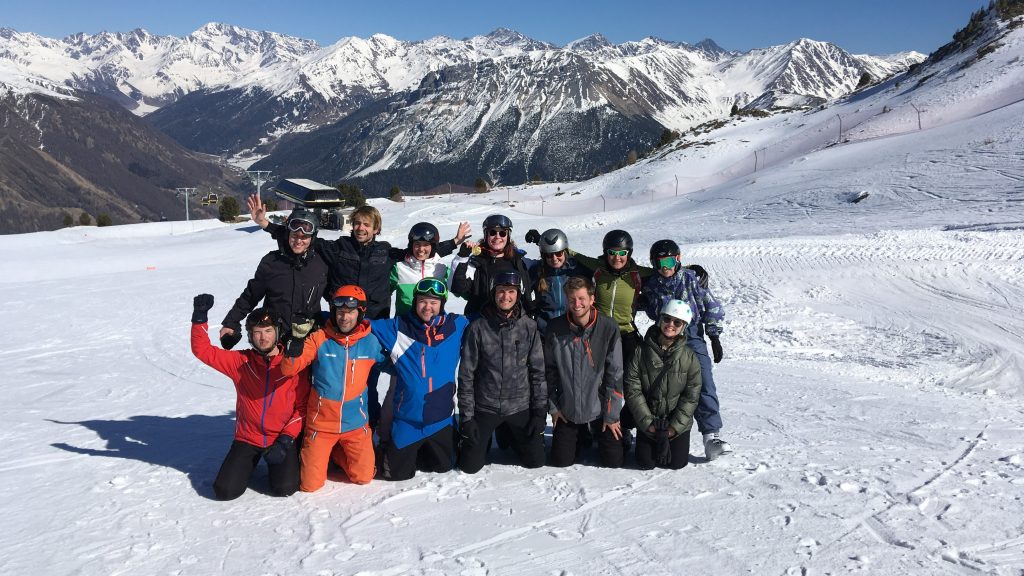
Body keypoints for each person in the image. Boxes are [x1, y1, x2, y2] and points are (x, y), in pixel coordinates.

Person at [248, 195, 470, 426]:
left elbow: (420, 252)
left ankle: (367, 426)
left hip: (372, 329)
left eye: (366, 224)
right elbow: (302, 238)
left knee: (367, 380)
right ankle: (324, 423)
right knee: (333, 379)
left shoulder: (385, 253)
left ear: (376, 229)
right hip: (340, 325)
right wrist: (265, 224)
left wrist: (454, 242)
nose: (360, 228)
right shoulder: (337, 248)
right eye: (357, 223)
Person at [190, 295, 309, 500]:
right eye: (257, 333)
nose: (263, 338)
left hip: (280, 439)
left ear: (277, 333)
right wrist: (199, 318)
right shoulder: (240, 362)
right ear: (250, 336)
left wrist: (286, 439)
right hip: (247, 438)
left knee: (285, 488)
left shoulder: (293, 364)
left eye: (268, 331)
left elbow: (302, 409)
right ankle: (247, 465)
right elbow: (202, 350)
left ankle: (289, 456)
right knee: (225, 491)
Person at [278, 285, 385, 491]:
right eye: (340, 312)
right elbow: (288, 369)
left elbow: (392, 364)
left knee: (364, 477)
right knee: (310, 486)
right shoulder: (320, 339)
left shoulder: (370, 342)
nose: (344, 317)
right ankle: (330, 451)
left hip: (355, 425)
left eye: (351, 312)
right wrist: (296, 343)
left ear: (360, 313)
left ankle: (337, 453)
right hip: (321, 425)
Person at [639, 239, 732, 460]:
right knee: (657, 384)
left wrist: (714, 335)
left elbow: (712, 306)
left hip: (691, 336)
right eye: (659, 262)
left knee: (703, 381)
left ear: (678, 259)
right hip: (663, 337)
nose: (665, 266)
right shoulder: (651, 285)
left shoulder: (692, 279)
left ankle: (711, 437)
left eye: (670, 260)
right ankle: (655, 430)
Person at [370, 278, 470, 480]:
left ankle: (428, 448)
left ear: (442, 304)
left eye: (434, 302)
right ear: (415, 302)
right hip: (408, 421)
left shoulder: (457, 325)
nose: (428, 307)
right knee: (396, 475)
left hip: (442, 420)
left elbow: (488, 320)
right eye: (423, 301)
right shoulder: (397, 327)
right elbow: (359, 324)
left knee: (445, 467)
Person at [566, 229, 655, 442]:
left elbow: (665, 270)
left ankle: (623, 425)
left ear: (629, 253)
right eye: (612, 252)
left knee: (635, 386)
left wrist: (691, 269)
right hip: (599, 334)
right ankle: (593, 425)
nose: (617, 257)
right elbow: (573, 254)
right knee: (595, 383)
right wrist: (544, 240)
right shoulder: (597, 269)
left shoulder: (638, 274)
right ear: (605, 252)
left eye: (622, 253)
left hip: (627, 335)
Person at [457, 271, 547, 473]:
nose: (505, 296)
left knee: (535, 461)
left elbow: (538, 373)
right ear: (493, 293)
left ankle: (511, 435)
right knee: (469, 466)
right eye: (501, 291)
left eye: (511, 292)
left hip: (519, 406)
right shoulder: (478, 328)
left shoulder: (529, 327)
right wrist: (467, 418)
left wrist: (539, 413)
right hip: (486, 406)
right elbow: (466, 376)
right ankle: (489, 436)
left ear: (518, 294)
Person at [544, 276, 625, 468]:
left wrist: (611, 415)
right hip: (568, 409)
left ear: (591, 298)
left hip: (599, 410)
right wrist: (554, 408)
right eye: (572, 299)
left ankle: (614, 434)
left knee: (614, 461)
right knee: (561, 461)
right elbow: (548, 372)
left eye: (581, 298)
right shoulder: (555, 328)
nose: (577, 304)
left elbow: (615, 374)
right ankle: (579, 435)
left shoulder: (607, 327)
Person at [219, 207, 327, 350]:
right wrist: (230, 323)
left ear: (312, 238)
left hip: (308, 341)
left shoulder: (321, 264)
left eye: (304, 237)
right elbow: (250, 296)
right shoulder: (271, 262)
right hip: (275, 341)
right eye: (294, 235)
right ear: (287, 234)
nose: (298, 241)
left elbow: (335, 296)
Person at [624, 299, 702, 470]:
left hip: (675, 423)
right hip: (649, 420)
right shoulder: (640, 351)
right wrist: (648, 424)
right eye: (667, 319)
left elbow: (692, 396)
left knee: (677, 463)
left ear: (684, 327)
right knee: (645, 463)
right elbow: (632, 389)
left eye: (677, 322)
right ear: (660, 319)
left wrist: (674, 427)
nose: (670, 324)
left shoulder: (690, 357)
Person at [451, 214, 534, 318]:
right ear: (486, 235)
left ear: (508, 236)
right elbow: (457, 288)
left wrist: (542, 242)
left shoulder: (519, 262)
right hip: (481, 322)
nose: (497, 237)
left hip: (513, 323)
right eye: (493, 232)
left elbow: (549, 265)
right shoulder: (476, 263)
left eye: (503, 233)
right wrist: (462, 256)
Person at [523, 228, 592, 333]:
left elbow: (598, 267)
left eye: (558, 253)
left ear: (565, 252)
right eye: (549, 255)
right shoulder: (537, 270)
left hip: (572, 332)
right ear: (543, 255)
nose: (554, 258)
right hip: (545, 332)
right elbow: (518, 262)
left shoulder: (576, 269)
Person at [389, 222, 450, 317]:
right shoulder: (399, 269)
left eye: (426, 245)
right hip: (405, 325)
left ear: (433, 247)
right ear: (411, 245)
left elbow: (461, 288)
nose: (421, 249)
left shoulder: (442, 269)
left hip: (434, 326)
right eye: (417, 244)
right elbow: (381, 293)